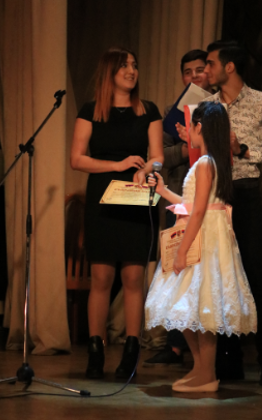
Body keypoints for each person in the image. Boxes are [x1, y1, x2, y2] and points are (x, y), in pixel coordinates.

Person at [145, 101, 257, 393]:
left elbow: (198, 212)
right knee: (186, 305)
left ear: (199, 127)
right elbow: (192, 204)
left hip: (204, 238)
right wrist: (162, 190)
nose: (188, 134)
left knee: (203, 305)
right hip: (202, 231)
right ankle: (200, 368)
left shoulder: (206, 163)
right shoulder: (207, 162)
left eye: (190, 127)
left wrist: (182, 250)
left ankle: (207, 372)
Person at [70, 47, 164, 379]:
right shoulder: (90, 111)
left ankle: (131, 353)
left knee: (134, 278)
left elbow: (157, 156)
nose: (131, 70)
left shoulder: (148, 110)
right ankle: (95, 352)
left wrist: (146, 168)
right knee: (101, 278)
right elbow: (77, 159)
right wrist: (118, 165)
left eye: (134, 65)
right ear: (109, 72)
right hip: (103, 198)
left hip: (137, 196)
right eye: (124, 65)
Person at [202, 40, 262, 386]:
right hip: (214, 197)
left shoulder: (261, 103)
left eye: (210, 63)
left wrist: (244, 149)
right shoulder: (207, 106)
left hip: (246, 194)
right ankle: (229, 358)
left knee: (253, 274)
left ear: (229, 67)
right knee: (221, 277)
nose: (205, 70)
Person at [143, 49, 214, 368]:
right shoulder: (173, 113)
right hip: (180, 196)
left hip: (209, 202)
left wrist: (198, 144)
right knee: (177, 269)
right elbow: (161, 155)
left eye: (200, 70)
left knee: (205, 273)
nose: (195, 76)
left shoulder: (217, 110)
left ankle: (209, 356)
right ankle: (174, 346)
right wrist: (187, 148)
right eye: (188, 72)